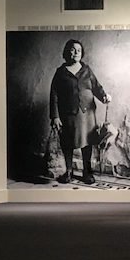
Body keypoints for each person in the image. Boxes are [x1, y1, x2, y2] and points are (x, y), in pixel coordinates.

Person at [48, 39, 110, 185]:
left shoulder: (87, 70)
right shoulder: (60, 73)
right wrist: (55, 116)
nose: (76, 52)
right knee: (67, 142)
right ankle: (69, 171)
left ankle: (87, 172)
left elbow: (96, 87)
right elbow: (54, 95)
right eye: (72, 49)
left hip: (87, 114)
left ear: (82, 54)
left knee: (87, 142)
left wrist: (104, 97)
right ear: (66, 52)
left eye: (78, 50)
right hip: (68, 114)